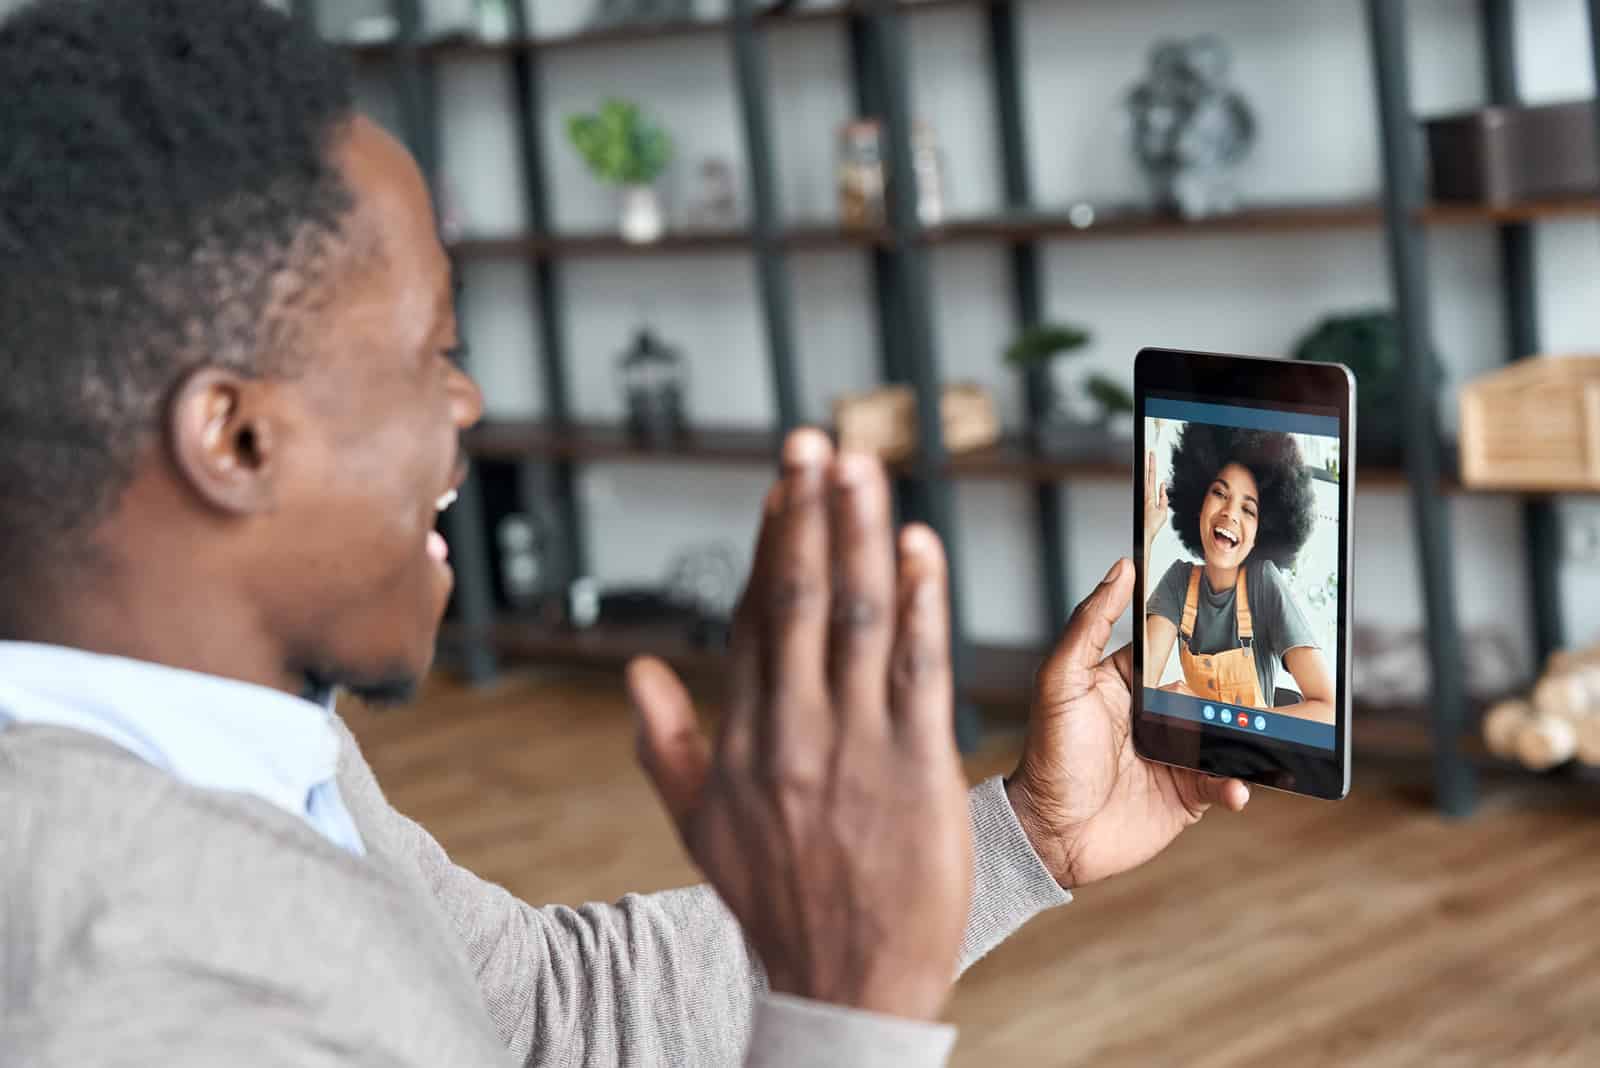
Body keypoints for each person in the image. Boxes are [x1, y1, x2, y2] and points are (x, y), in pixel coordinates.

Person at [0, 2, 1250, 1064]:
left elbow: (540, 1018)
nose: (468, 406)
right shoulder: (113, 982)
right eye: (432, 353)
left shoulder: (249, 748)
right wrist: (853, 1011)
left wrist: (1020, 838)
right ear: (235, 439)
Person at [1142, 423, 1334, 722]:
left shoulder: (1262, 582)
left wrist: (1220, 716)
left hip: (1254, 757)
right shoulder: (1179, 581)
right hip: (1195, 753)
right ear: (1199, 503)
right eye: (1220, 493)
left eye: (1249, 509)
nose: (1230, 513)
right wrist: (1145, 537)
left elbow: (1327, 709)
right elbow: (1143, 688)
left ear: (1263, 532)